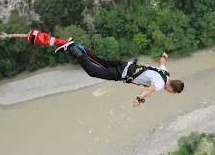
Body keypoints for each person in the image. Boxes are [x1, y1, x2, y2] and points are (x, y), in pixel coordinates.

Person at [55, 38, 184, 107]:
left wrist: (164, 56)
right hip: (121, 73)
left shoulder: (166, 73)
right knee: (93, 71)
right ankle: (73, 49)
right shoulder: (160, 84)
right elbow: (149, 90)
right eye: (173, 93)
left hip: (124, 64)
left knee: (98, 61)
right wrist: (139, 98)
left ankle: (75, 46)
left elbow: (162, 61)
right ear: (172, 90)